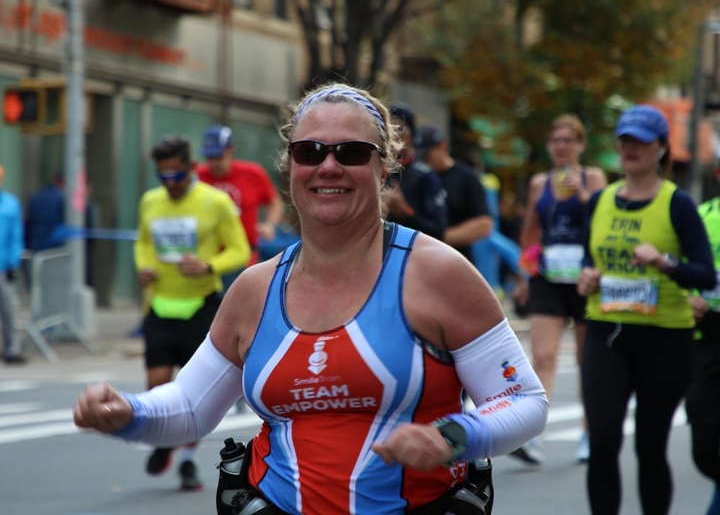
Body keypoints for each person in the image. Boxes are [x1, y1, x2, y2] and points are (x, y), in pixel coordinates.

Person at [73, 84, 548, 514]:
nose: (328, 166)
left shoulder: (437, 274)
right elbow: (191, 408)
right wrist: (126, 413)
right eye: (310, 151)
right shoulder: (254, 290)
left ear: (386, 169)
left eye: (352, 152)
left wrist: (455, 437)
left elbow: (523, 400)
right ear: (290, 167)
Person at [577, 105, 715, 515]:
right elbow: (591, 261)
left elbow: (705, 275)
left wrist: (665, 263)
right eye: (625, 140)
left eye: (641, 141)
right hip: (606, 330)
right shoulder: (600, 201)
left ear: (660, 149)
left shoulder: (678, 204)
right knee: (602, 442)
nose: (631, 148)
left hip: (665, 338)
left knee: (650, 447)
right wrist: (587, 278)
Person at [132, 136, 250, 491]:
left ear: (189, 168)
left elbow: (240, 250)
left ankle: (187, 461)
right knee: (156, 385)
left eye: (175, 176)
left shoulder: (215, 202)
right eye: (162, 176)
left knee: (192, 391)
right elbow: (143, 243)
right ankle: (164, 439)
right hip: (161, 304)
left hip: (201, 305)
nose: (169, 184)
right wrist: (143, 267)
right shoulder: (150, 201)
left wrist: (209, 265)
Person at [512, 114, 607, 465]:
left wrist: (582, 194)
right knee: (543, 357)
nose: (562, 147)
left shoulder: (593, 177)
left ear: (580, 145)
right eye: (556, 141)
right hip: (548, 278)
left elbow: (604, 220)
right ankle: (533, 437)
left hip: (585, 280)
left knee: (587, 361)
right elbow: (531, 232)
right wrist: (523, 276)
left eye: (568, 140)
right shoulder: (540, 183)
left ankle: (588, 432)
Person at [196, 124, 284, 290]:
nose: (214, 163)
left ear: (231, 150)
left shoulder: (252, 174)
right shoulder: (197, 176)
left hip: (243, 258)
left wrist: (270, 225)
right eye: (209, 157)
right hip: (206, 259)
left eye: (218, 156)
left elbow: (274, 201)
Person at [686, 158, 720, 515]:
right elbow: (678, 271)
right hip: (707, 337)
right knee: (705, 448)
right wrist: (685, 297)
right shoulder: (701, 217)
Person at [414, 125, 493, 262]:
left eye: (427, 155)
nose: (424, 161)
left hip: (456, 259)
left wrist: (439, 237)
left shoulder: (466, 177)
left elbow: (484, 225)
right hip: (420, 259)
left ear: (442, 147)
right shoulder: (417, 177)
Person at [385, 105, 447, 240]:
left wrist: (405, 212)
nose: (394, 135)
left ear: (412, 136)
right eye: (388, 129)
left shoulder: (425, 176)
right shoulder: (374, 170)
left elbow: (439, 231)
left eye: (399, 129)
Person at [0, 166, 24, 364]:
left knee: (8, 310)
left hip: (2, 266)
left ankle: (11, 349)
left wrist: (13, 263)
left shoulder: (10, 204)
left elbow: (16, 236)